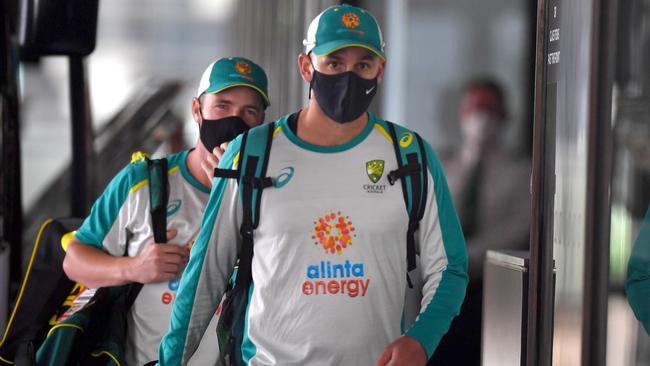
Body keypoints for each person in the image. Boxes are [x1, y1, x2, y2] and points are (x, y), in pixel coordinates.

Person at [158, 4, 468, 366]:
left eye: (363, 65)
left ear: (380, 71)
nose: (349, 76)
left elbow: (449, 268)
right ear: (306, 67)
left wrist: (421, 340)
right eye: (334, 63)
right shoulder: (252, 154)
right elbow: (206, 274)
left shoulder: (410, 157)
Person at [62, 56, 270, 366]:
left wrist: (234, 194)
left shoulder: (270, 190)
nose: (234, 120)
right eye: (222, 106)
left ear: (261, 124)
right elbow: (75, 261)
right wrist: (133, 268)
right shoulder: (143, 182)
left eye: (249, 112)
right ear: (197, 110)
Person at [430, 80, 531, 365]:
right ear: (462, 114)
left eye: (489, 108)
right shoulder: (443, 167)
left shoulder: (521, 172)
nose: (481, 118)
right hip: (444, 287)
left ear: (504, 115)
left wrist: (470, 256)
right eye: (475, 108)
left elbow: (519, 227)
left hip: (494, 288)